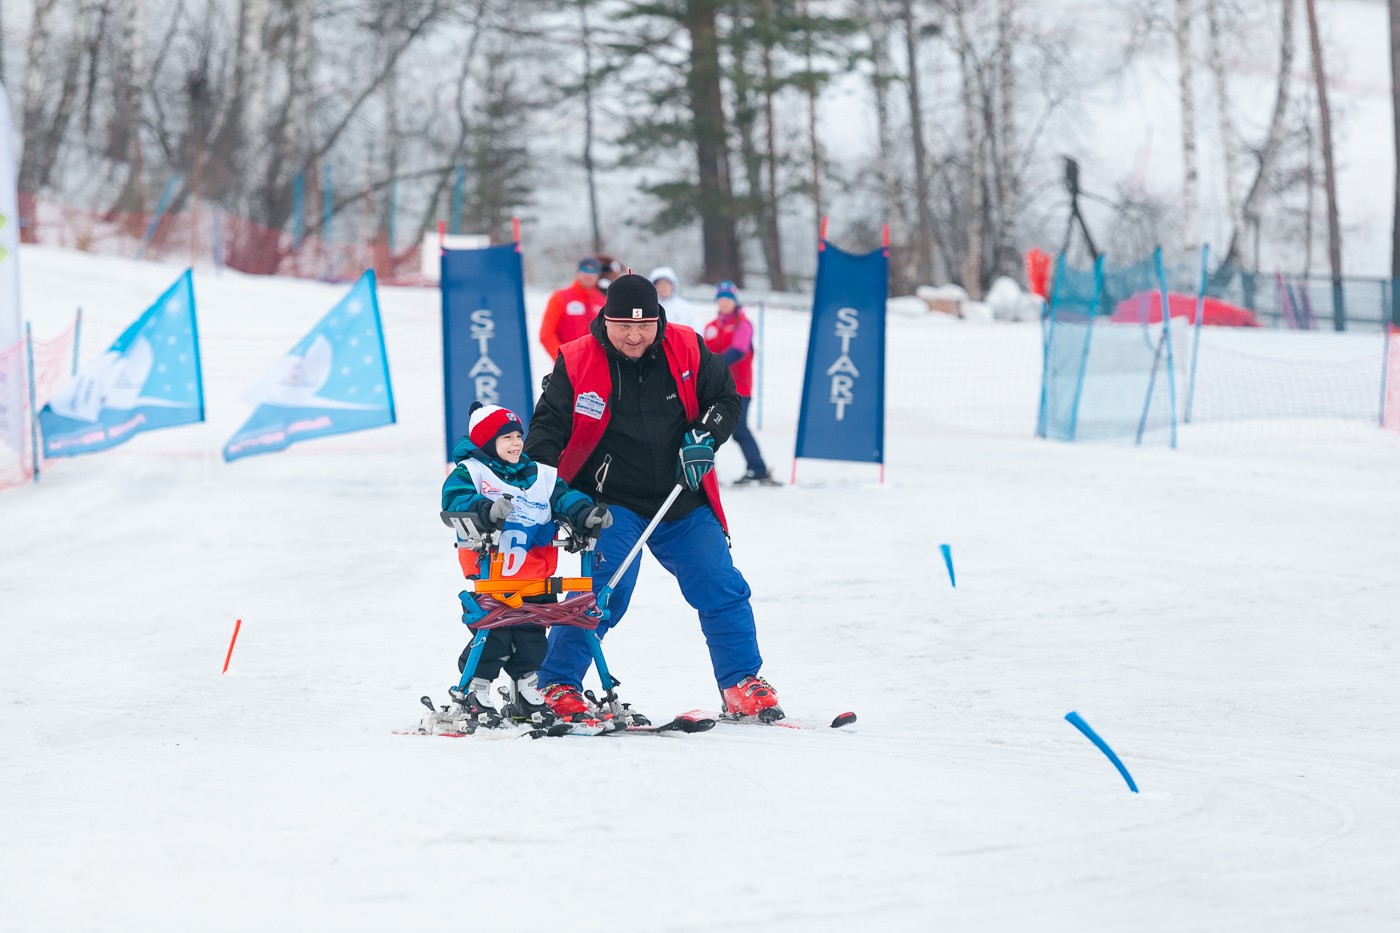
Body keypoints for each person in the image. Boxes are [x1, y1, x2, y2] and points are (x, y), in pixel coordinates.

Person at [522, 273, 783, 720]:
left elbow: (725, 398)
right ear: (605, 321)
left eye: (644, 326)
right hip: (610, 501)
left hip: (682, 495)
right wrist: (538, 486)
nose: (634, 336)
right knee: (604, 592)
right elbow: (547, 430)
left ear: (658, 320)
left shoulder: (687, 346)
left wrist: (706, 435)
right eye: (624, 326)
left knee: (719, 583)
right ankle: (557, 683)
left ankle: (741, 681)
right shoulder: (578, 359)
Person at [442, 401, 613, 725]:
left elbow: (563, 497)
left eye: (518, 435)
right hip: (494, 572)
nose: (516, 443)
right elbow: (455, 499)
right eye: (506, 437)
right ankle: (476, 690)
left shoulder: (540, 475)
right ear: (487, 441)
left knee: (532, 638)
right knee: (494, 636)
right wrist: (485, 510)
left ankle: (526, 690)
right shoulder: (472, 471)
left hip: (536, 573)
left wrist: (584, 512)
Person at [703, 280, 778, 486]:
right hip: (714, 387)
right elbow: (703, 353)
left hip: (739, 388)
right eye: (721, 298)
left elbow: (739, 349)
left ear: (735, 300)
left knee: (740, 429)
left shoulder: (743, 324)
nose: (724, 302)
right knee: (707, 427)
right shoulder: (711, 326)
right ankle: (705, 472)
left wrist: (714, 365)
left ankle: (758, 469)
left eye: (728, 298)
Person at [539, 258, 606, 359]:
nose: (589, 275)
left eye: (593, 272)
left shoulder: (603, 301)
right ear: (578, 273)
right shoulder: (560, 297)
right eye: (585, 270)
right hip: (567, 362)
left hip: (595, 363)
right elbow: (547, 334)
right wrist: (562, 359)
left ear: (598, 275)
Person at [648, 265, 699, 330]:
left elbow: (696, 330)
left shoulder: (685, 307)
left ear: (672, 285)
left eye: (666, 284)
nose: (664, 287)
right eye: (660, 284)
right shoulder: (648, 307)